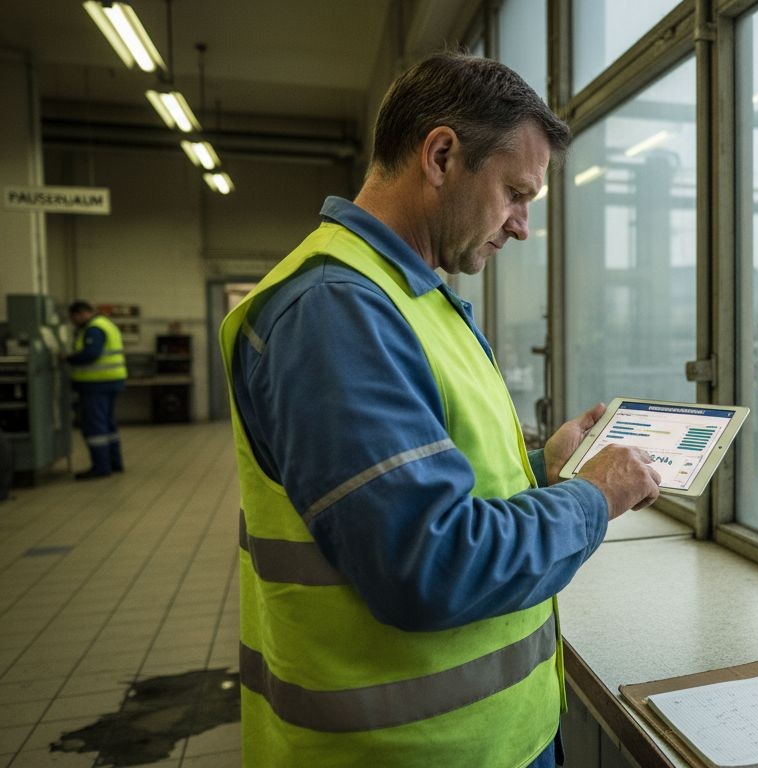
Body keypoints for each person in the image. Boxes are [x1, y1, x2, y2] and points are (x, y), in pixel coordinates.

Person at [219, 52, 662, 767]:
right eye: (515, 193)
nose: (522, 225)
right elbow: (428, 562)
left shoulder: (410, 297)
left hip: (491, 741)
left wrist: (542, 469)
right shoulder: (335, 312)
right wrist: (594, 497)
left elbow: (429, 487)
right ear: (442, 155)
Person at [66, 301, 126, 479]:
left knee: (95, 425)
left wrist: (68, 358)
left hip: (97, 383)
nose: (74, 322)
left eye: (74, 318)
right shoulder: (107, 324)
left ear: (81, 313)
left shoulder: (93, 329)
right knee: (108, 424)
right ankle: (115, 463)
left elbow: (91, 354)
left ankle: (101, 467)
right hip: (112, 380)